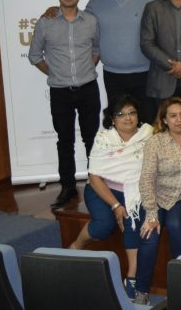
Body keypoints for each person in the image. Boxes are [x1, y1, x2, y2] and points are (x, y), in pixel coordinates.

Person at [68, 95, 153, 298]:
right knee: (104, 225)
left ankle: (132, 276)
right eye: (121, 114)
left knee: (132, 219)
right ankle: (77, 245)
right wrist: (115, 205)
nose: (128, 118)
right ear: (112, 119)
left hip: (134, 190)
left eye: (132, 112)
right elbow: (94, 176)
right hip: (102, 189)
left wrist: (125, 205)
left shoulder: (148, 134)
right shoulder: (104, 138)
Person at [28, 0, 100, 208]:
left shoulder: (91, 21)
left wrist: (88, 68)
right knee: (64, 140)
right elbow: (34, 56)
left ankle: (96, 184)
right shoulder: (45, 22)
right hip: (60, 91)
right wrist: (54, 73)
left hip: (88, 88)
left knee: (92, 139)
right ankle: (67, 186)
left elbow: (96, 49)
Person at [134, 97, 181, 304]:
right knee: (149, 235)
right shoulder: (155, 142)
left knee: (175, 226)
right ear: (164, 120)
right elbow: (146, 178)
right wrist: (151, 213)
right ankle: (141, 291)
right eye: (173, 116)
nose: (179, 120)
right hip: (154, 198)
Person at [83, 0, 159, 124]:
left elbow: (167, 20)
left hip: (146, 74)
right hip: (113, 76)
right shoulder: (97, 0)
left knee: (147, 122)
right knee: (119, 123)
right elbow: (79, 22)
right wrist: (56, 11)